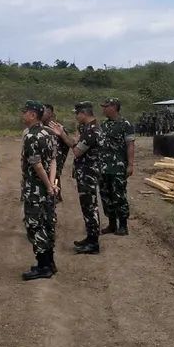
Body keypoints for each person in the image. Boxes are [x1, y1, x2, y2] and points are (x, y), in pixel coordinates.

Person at [48, 101, 103, 254]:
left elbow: (77, 151)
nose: (76, 116)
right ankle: (90, 238)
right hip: (86, 173)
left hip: (88, 174)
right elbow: (74, 143)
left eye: (77, 113)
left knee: (90, 207)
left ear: (83, 113)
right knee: (88, 207)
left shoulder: (92, 131)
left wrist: (62, 135)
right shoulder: (88, 129)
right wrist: (63, 134)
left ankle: (93, 243)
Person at [20, 100, 59, 280]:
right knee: (47, 224)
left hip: (36, 189)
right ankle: (49, 262)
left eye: (25, 112)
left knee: (35, 226)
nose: (23, 115)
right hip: (47, 188)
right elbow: (52, 161)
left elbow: (37, 165)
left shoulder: (31, 136)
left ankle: (43, 267)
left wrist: (46, 185)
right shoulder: (49, 133)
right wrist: (52, 185)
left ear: (33, 115)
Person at [99, 97, 136, 236]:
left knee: (119, 196)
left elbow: (130, 145)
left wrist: (130, 164)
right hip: (104, 168)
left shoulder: (125, 124)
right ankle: (112, 224)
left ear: (114, 107)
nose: (103, 109)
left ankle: (123, 225)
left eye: (106, 106)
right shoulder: (104, 125)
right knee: (106, 197)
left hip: (118, 168)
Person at [41, 104, 69, 201]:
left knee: (56, 175)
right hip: (47, 156)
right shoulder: (41, 127)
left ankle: (56, 194)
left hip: (57, 156)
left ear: (51, 113)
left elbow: (66, 144)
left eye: (46, 112)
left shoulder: (58, 127)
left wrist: (61, 158)